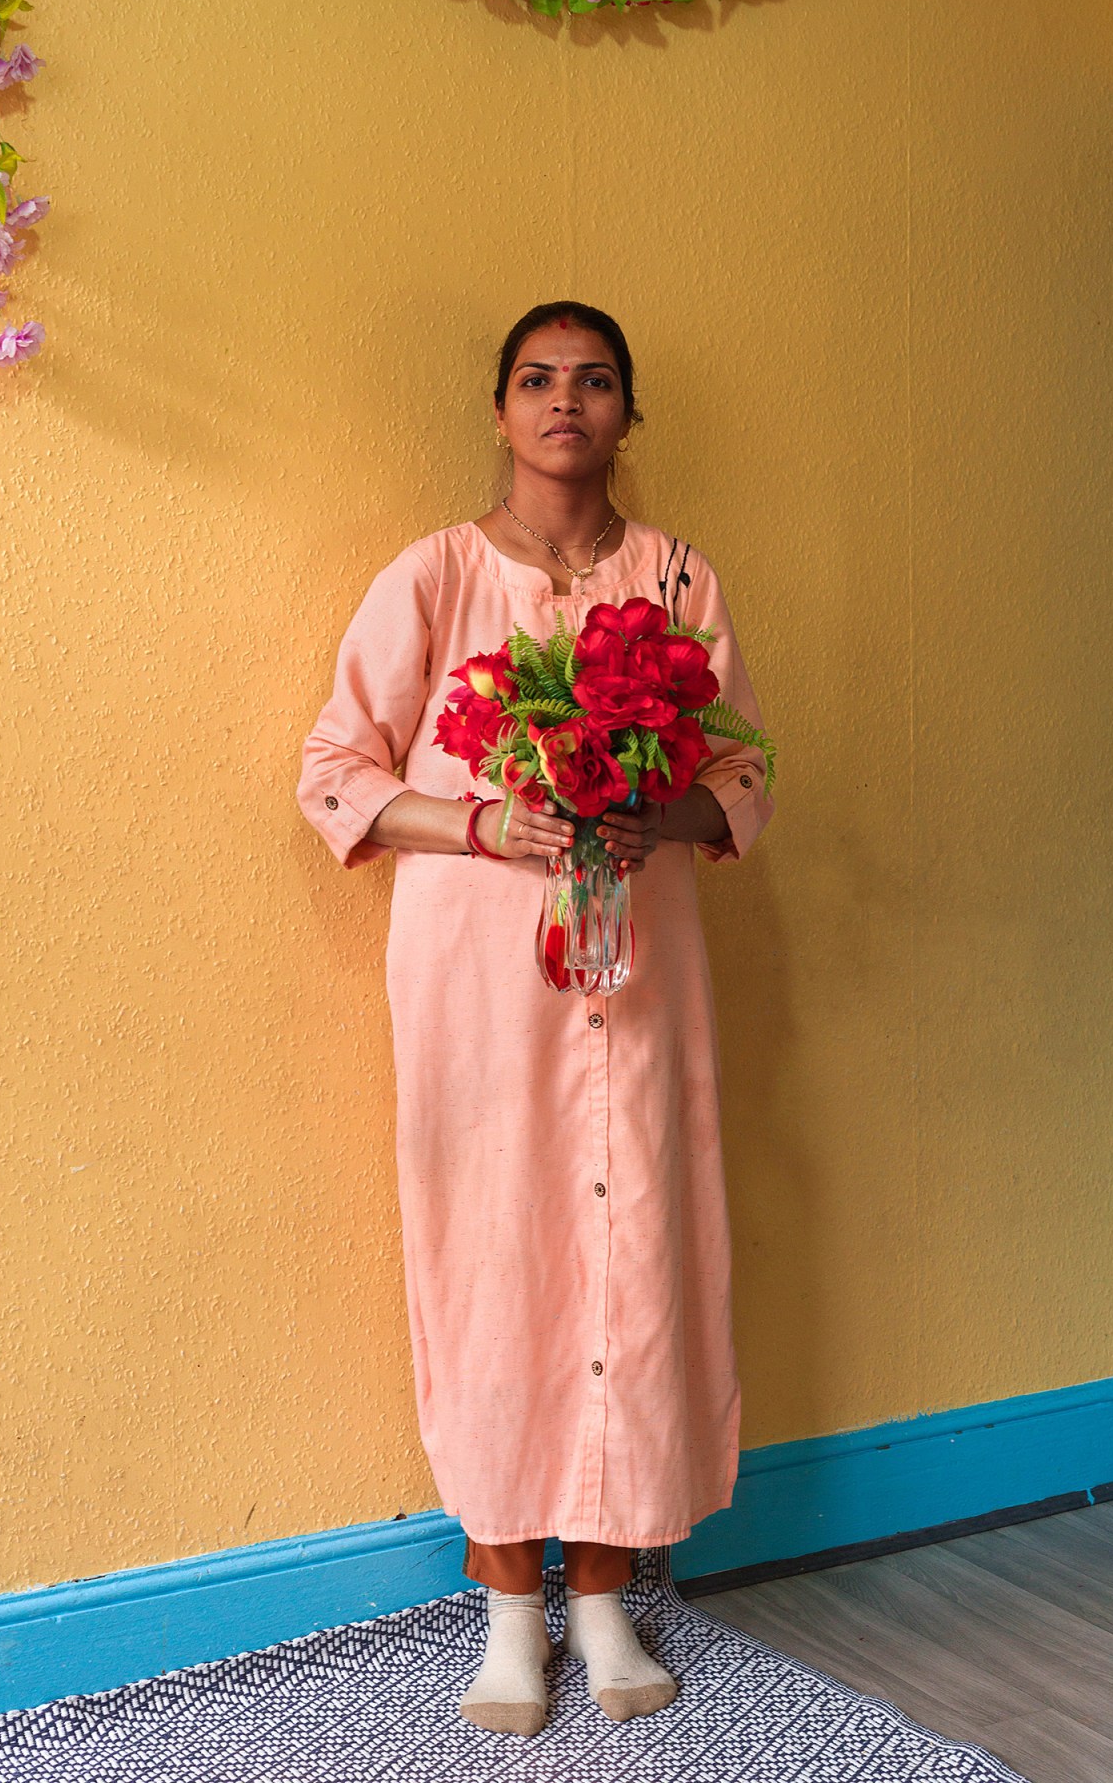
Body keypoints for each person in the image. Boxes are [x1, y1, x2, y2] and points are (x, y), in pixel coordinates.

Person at [295, 301, 774, 1737]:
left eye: (598, 380)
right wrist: (484, 817)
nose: (567, 402)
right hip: (480, 975)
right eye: (538, 379)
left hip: (643, 961)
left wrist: (652, 812)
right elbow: (334, 768)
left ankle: (612, 1598)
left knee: (637, 1246)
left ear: (631, 412)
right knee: (492, 1252)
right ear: (501, 409)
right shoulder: (436, 577)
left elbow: (743, 782)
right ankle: (510, 1612)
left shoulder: (680, 579)